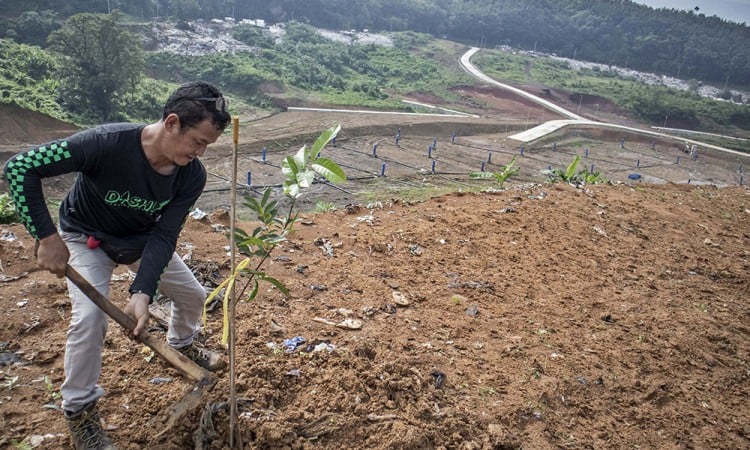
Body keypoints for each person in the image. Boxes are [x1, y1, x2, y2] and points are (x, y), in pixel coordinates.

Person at [3, 81, 231, 450]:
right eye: (198, 141)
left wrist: (142, 292)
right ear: (172, 123)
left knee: (192, 296)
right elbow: (20, 168)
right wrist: (47, 237)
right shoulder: (105, 144)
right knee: (90, 320)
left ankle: (183, 343)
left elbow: (164, 235)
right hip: (86, 239)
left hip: (141, 240)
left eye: (207, 145)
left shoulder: (191, 175)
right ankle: (80, 411)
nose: (200, 152)